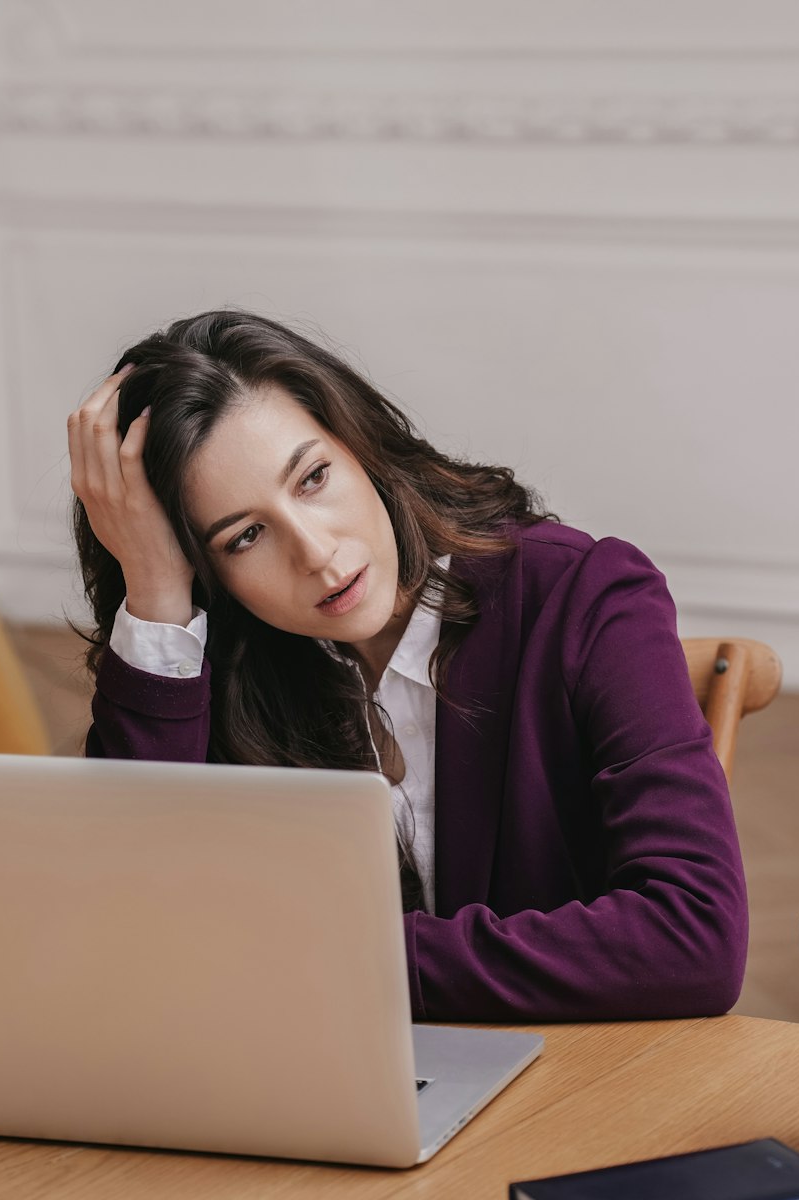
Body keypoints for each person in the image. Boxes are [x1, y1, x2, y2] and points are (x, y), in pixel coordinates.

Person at [68, 310, 746, 1022]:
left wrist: (348, 958)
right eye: (245, 536)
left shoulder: (584, 596)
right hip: (322, 1098)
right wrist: (153, 589)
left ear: (362, 444)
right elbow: (131, 931)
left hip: (579, 1091)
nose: (316, 552)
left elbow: (694, 934)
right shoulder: (231, 661)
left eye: (313, 477)